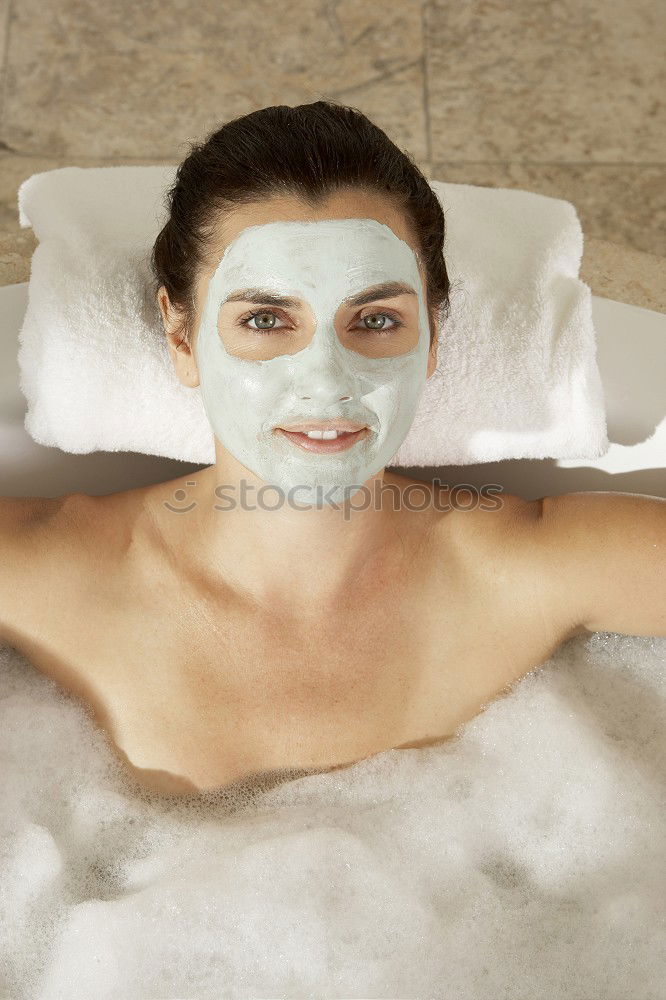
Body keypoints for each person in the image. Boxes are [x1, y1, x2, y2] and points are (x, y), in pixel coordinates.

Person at [0, 101, 664, 798]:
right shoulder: (51, 575)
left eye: (375, 320)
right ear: (182, 337)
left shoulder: (525, 572)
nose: (325, 381)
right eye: (265, 319)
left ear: (433, 338)